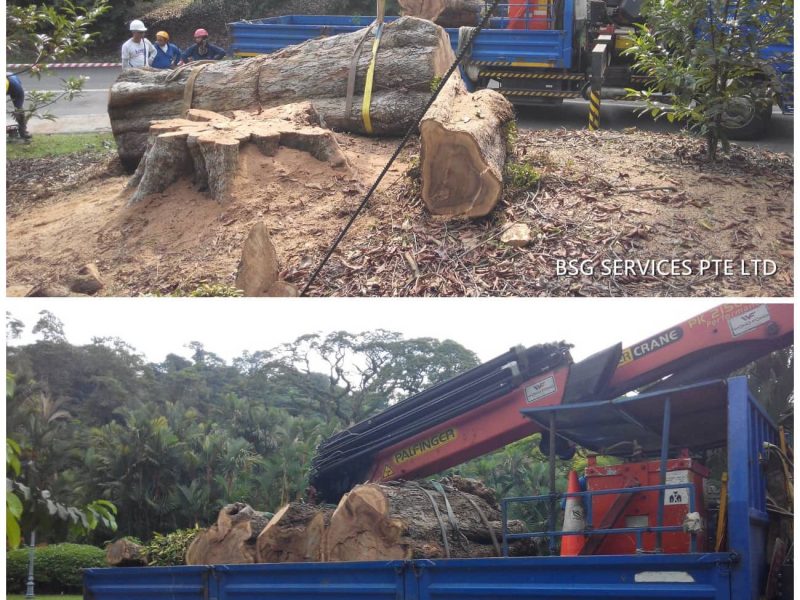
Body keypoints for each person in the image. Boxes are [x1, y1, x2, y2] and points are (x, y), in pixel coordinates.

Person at [6, 73, 31, 140]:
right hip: (11, 82)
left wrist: (17, 110)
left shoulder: (15, 86)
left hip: (16, 89)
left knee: (19, 111)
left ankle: (23, 133)